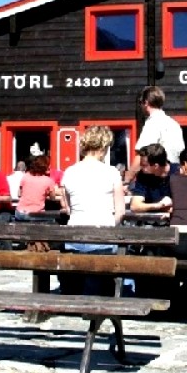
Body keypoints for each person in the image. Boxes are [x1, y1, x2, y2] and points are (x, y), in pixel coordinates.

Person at [58, 126, 125, 295]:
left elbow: (68, 208)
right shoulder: (111, 172)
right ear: (103, 147)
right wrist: (109, 223)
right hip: (102, 236)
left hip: (74, 237)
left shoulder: (70, 172)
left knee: (79, 282)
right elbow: (120, 211)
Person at [126, 86, 185, 184]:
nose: (140, 106)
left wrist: (127, 179)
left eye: (140, 102)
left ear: (146, 103)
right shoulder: (174, 124)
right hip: (175, 177)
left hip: (156, 179)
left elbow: (142, 156)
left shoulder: (152, 123)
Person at [129, 144, 175, 213]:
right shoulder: (143, 176)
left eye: (144, 165)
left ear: (156, 166)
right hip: (151, 219)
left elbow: (184, 206)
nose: (140, 167)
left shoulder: (179, 173)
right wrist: (159, 205)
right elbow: (135, 206)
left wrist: (146, 207)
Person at [15, 155, 57, 219]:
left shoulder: (26, 176)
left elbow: (19, 194)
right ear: (45, 166)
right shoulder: (48, 181)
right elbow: (53, 198)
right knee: (53, 218)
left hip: (20, 213)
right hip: (35, 214)